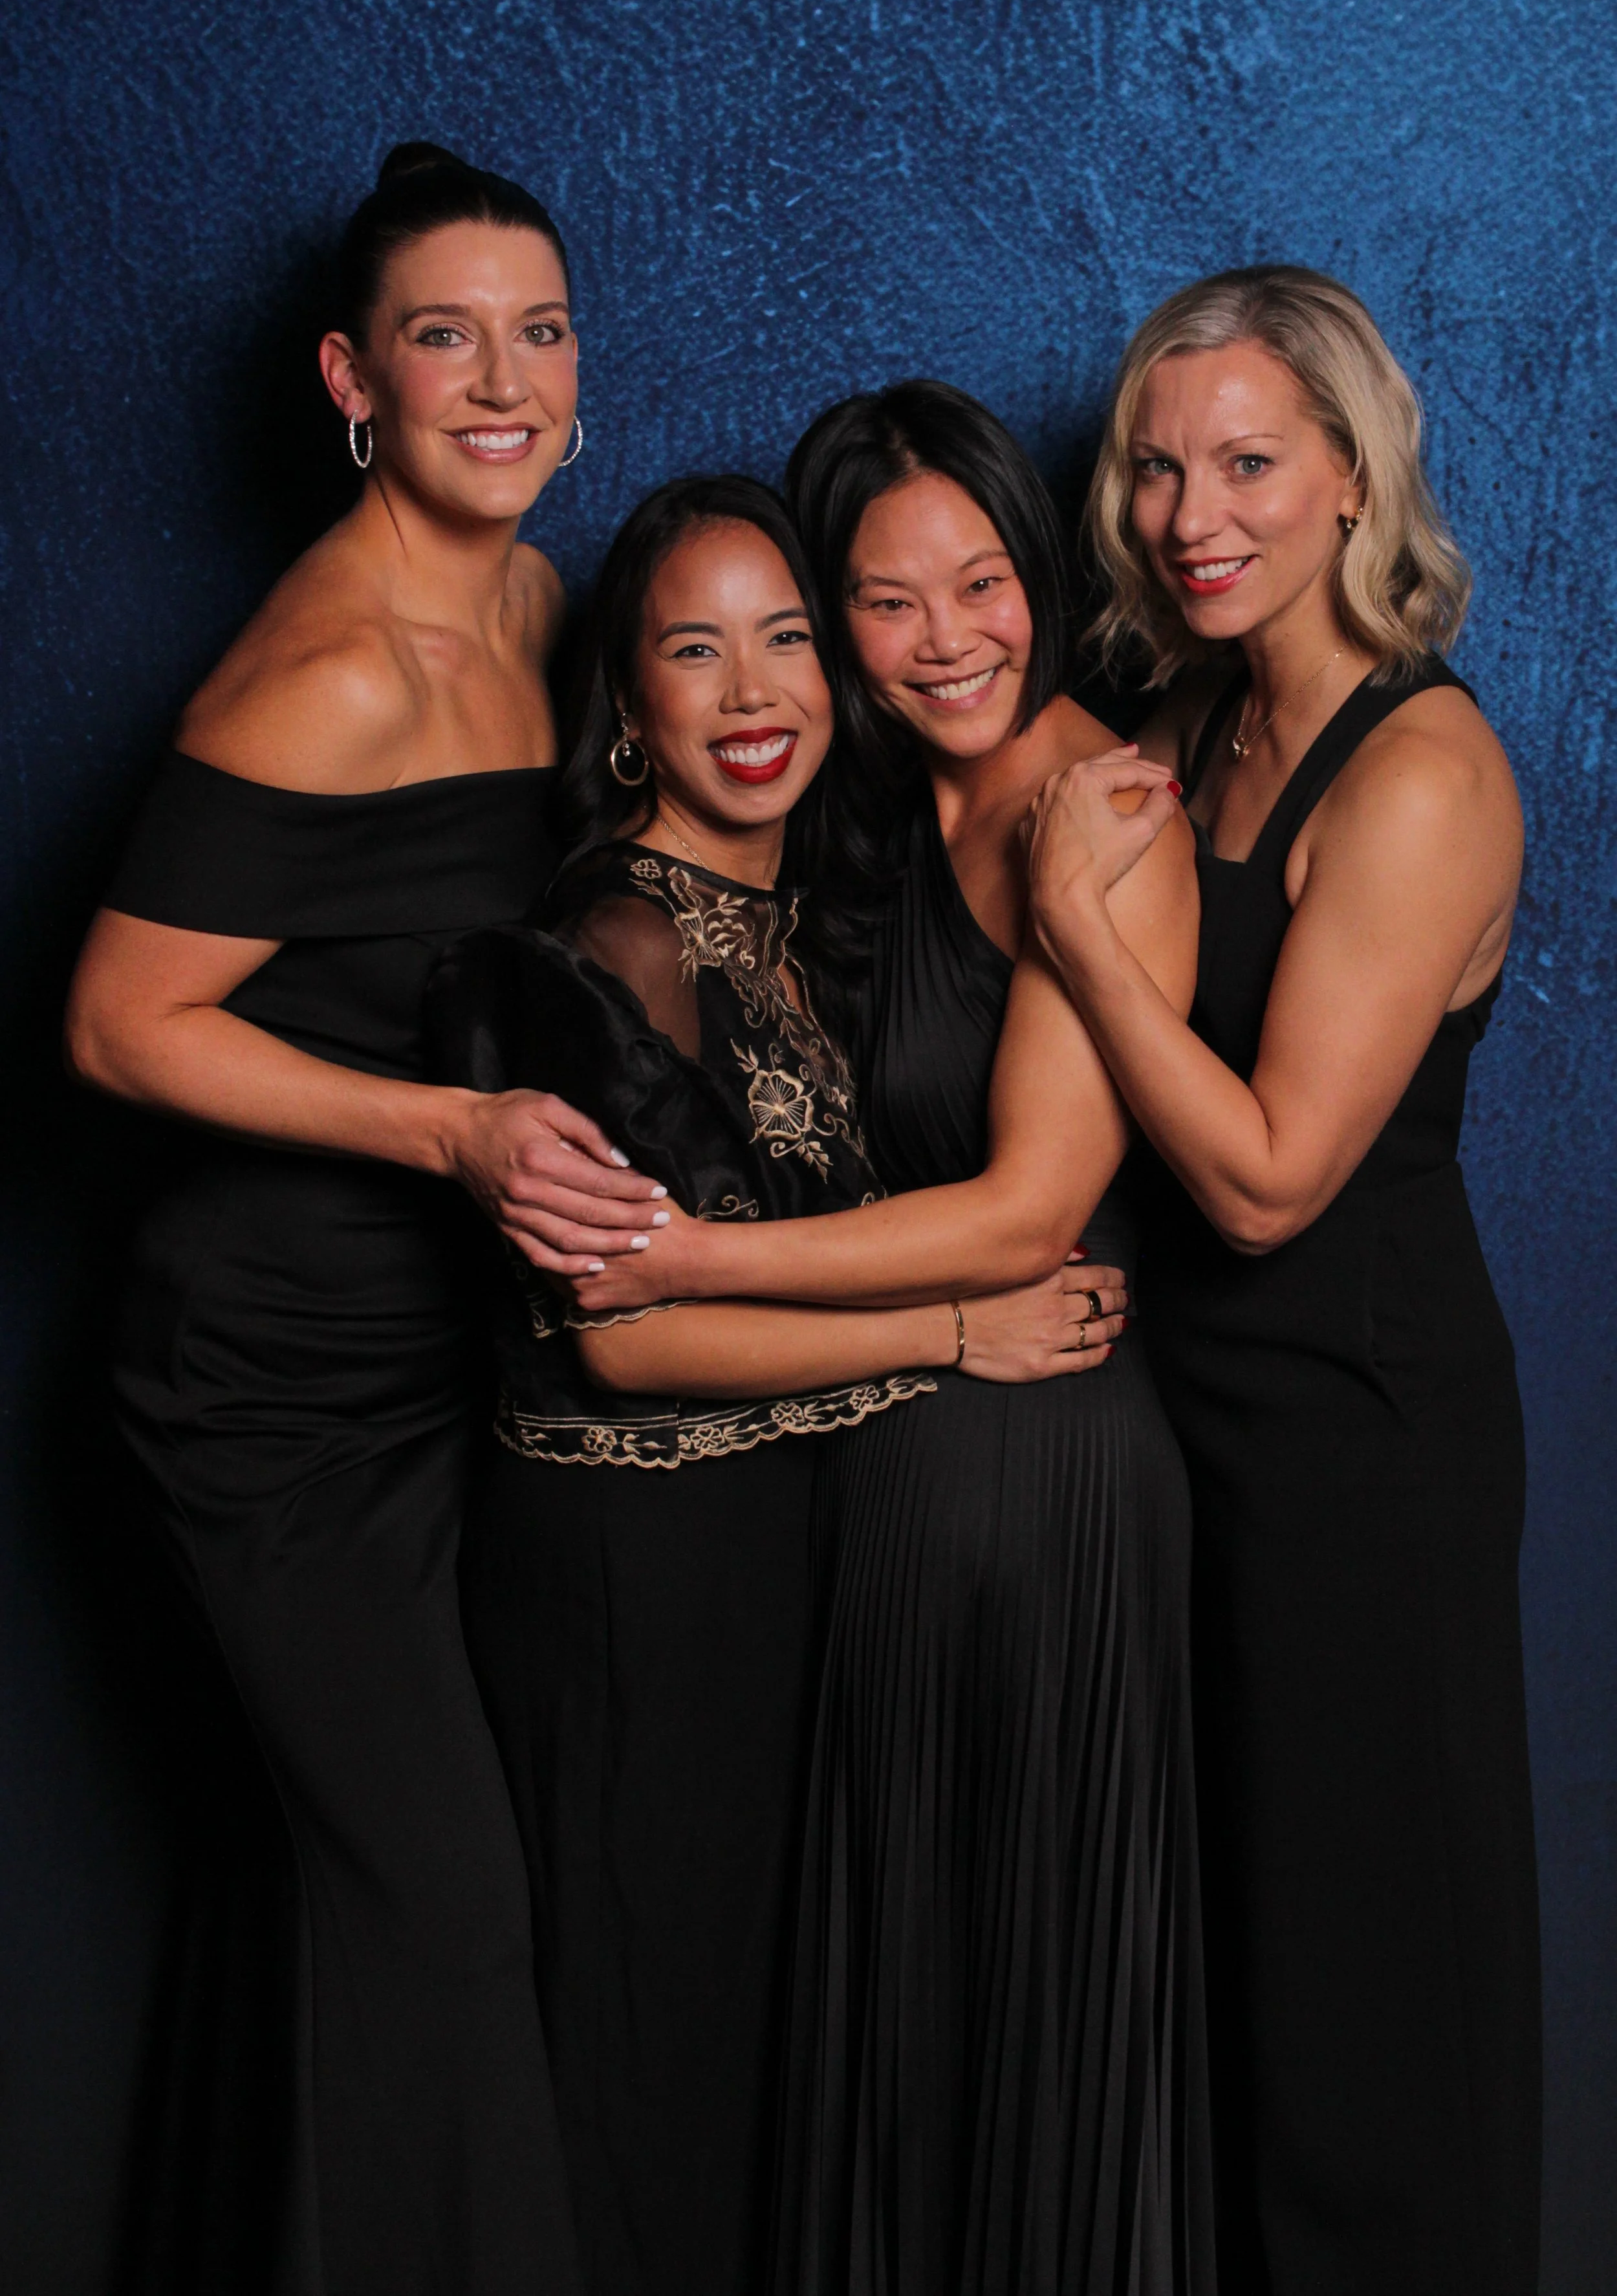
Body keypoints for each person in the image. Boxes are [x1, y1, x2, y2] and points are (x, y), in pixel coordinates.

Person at [63, 142, 657, 2296]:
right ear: (351, 378)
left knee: (334, 1886)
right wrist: (451, 1137)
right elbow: (120, 1028)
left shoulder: (537, 596)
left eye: (541, 330)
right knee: (434, 1901)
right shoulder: (330, 669)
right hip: (268, 1389)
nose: (501, 380)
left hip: (451, 1366)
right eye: (443, 336)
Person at [431, 474, 1120, 2296]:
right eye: (692, 646)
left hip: (771, 1553)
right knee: (642, 2058)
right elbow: (625, 1329)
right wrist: (951, 1331)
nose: (752, 690)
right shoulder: (608, 944)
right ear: (628, 702)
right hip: (627, 1573)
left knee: (759, 2069)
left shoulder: (799, 910)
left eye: (789, 637)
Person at [561, 386, 1216, 2296]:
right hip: (880, 1468)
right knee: (892, 2017)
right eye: (884, 600)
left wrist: (675, 1263)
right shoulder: (842, 806)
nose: (949, 639)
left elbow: (1025, 1213)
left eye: (983, 582)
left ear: (1040, 573)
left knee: (1034, 2008)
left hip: (1041, 1464)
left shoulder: (1101, 811)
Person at [1023, 265, 1540, 2296]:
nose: (1186, 513)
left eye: (1244, 460)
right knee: (1240, 1996)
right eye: (1153, 468)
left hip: (1359, 1446)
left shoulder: (1420, 774)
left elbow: (1257, 1182)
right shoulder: (1190, 717)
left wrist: (1075, 931)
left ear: (1349, 474)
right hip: (1199, 1440)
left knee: (1371, 2010)